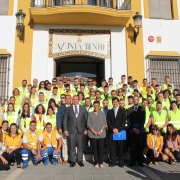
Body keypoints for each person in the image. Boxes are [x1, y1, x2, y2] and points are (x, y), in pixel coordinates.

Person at [63, 95, 88, 167]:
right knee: (72, 146)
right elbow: (65, 120)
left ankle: (80, 160)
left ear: (79, 100)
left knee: (80, 146)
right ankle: (73, 161)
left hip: (81, 131)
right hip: (71, 131)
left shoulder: (83, 108)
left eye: (76, 99)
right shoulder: (68, 109)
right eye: (74, 99)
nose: (75, 100)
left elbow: (86, 120)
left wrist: (86, 129)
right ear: (72, 100)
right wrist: (65, 130)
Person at [107, 97, 126, 167]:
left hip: (120, 132)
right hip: (112, 132)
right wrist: (113, 129)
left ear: (118, 102)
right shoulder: (110, 111)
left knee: (120, 148)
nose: (115, 103)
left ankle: (120, 161)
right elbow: (108, 121)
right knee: (113, 148)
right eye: (113, 102)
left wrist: (118, 129)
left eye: (116, 102)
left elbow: (123, 121)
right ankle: (113, 161)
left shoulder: (123, 111)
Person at [87, 101, 106, 168]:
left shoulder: (102, 113)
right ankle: (96, 162)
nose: (96, 107)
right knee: (94, 148)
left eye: (97, 106)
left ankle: (101, 162)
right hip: (93, 134)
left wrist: (100, 131)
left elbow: (104, 123)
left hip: (101, 134)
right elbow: (88, 124)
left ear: (99, 106)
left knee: (101, 148)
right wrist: (94, 131)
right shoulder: (90, 114)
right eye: (94, 106)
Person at [127, 96, 145, 167]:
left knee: (139, 146)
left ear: (138, 100)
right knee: (132, 146)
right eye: (134, 99)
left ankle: (140, 161)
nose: (135, 100)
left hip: (140, 130)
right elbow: (128, 121)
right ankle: (133, 161)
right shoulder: (129, 109)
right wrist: (134, 129)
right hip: (132, 130)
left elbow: (143, 120)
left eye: (136, 99)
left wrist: (139, 129)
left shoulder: (142, 109)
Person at [56, 95, 71, 164]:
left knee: (72, 144)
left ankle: (72, 158)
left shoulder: (73, 107)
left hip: (72, 129)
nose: (67, 99)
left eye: (69, 98)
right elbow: (58, 118)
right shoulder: (61, 108)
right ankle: (65, 158)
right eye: (66, 98)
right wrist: (59, 127)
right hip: (63, 128)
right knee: (64, 143)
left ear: (71, 99)